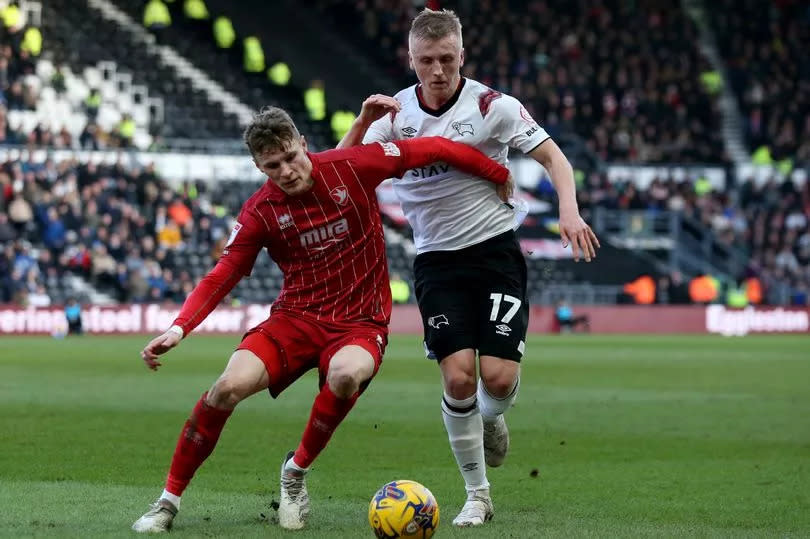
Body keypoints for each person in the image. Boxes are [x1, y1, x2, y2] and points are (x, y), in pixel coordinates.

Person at [131, 106, 512, 533]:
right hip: (294, 319)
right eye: (273, 166)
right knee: (225, 388)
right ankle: (167, 502)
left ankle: (295, 472)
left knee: (347, 375)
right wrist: (179, 327)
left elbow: (433, 147)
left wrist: (495, 172)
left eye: (291, 157)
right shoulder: (260, 211)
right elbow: (224, 273)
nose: (288, 171)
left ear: (303, 145)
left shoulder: (352, 167)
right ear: (259, 167)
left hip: (360, 322)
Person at [337, 8, 600, 527]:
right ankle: (477, 494)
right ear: (410, 60)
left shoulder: (493, 106)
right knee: (458, 379)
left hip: (495, 252)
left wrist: (569, 210)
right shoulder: (393, 114)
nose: (437, 71)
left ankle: (491, 415)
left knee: (496, 380)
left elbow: (555, 159)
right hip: (436, 260)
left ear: (463, 56)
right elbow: (336, 171)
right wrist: (363, 121)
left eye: (447, 59)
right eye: (427, 61)